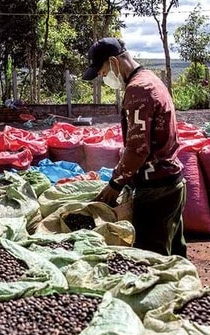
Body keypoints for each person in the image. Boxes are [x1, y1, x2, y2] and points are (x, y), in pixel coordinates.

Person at [83, 37, 187, 258]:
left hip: (156, 190)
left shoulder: (138, 90)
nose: (103, 78)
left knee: (152, 262)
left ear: (113, 62)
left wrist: (115, 184)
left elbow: (137, 148)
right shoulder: (151, 79)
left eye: (102, 72)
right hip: (171, 184)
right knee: (175, 257)